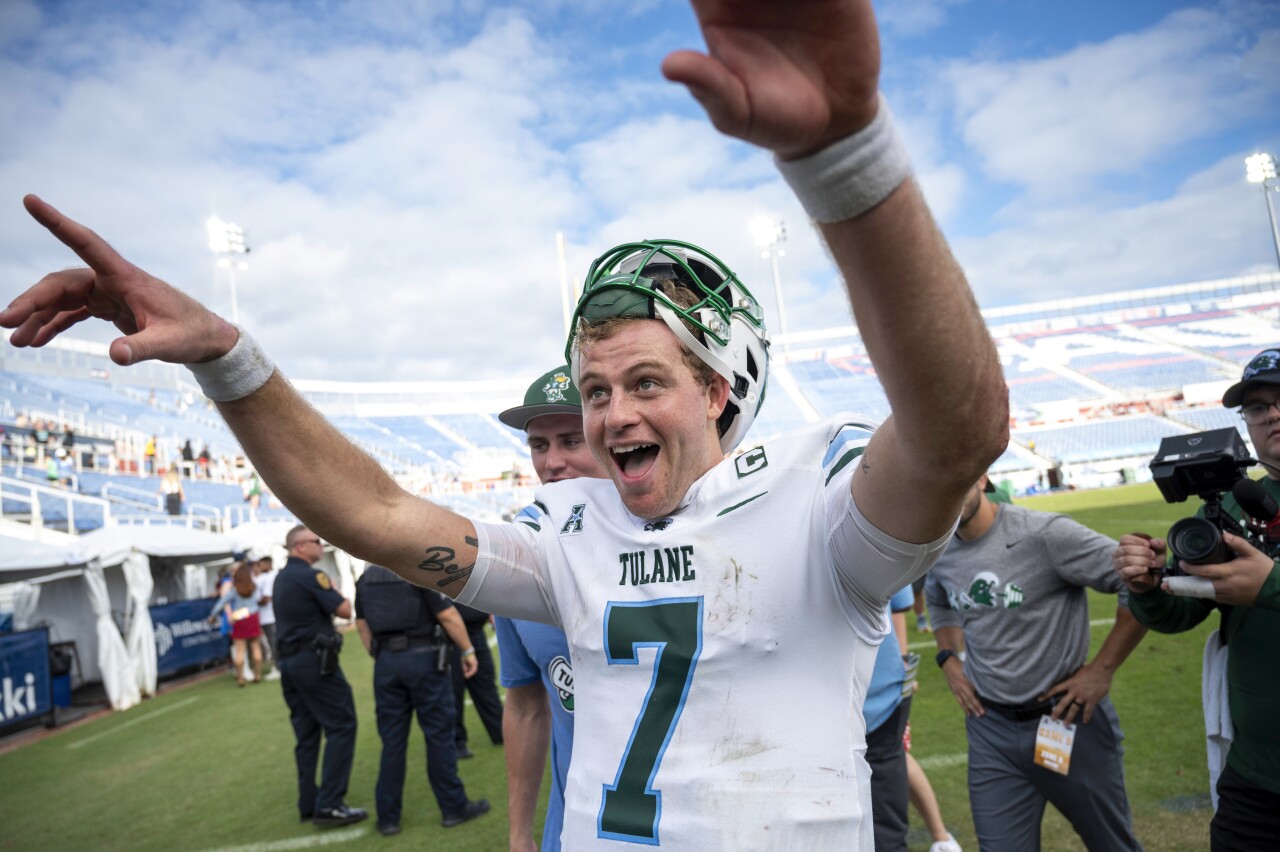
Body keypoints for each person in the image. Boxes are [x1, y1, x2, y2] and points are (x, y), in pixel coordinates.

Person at [2, 2, 1009, 843]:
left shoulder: (814, 506)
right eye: (595, 391)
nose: (612, 413)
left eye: (644, 382)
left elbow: (958, 431)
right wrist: (228, 357)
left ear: (716, 391)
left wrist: (845, 156)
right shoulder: (568, 536)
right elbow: (374, 515)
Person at [1112, 347, 1280, 851]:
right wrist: (1148, 587)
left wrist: (1271, 584)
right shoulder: (1234, 504)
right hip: (1257, 775)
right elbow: (1185, 609)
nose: (1272, 414)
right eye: (1257, 407)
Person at [926, 473, 1147, 852]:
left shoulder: (1045, 534)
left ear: (983, 477)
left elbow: (1137, 582)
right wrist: (948, 657)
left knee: (1111, 845)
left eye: (961, 474)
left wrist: (1101, 670)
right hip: (990, 730)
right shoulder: (938, 548)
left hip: (1065, 720)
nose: (950, 487)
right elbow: (938, 598)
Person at [494, 364, 609, 852]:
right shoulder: (517, 556)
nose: (552, 462)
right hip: (572, 832)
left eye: (571, 440)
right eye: (539, 445)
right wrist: (520, 834)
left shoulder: (682, 537)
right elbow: (524, 705)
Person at [355, 564, 491, 835]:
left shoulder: (365, 578)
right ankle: (453, 807)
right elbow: (447, 615)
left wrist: (380, 655)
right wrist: (467, 650)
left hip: (386, 663)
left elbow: (361, 624)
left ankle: (388, 817)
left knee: (392, 741)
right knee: (439, 735)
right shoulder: (412, 568)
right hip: (424, 660)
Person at [271, 525, 366, 828]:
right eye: (316, 541)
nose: (321, 545)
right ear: (300, 546)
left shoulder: (281, 577)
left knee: (307, 734)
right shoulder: (312, 576)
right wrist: (335, 588)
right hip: (314, 662)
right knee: (342, 724)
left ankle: (309, 804)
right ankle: (330, 804)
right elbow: (345, 609)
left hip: (290, 663)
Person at [448, 601, 503, 757]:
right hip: (449, 637)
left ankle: (501, 731)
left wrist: (490, 610)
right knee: (453, 691)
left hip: (476, 632)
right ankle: (457, 742)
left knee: (487, 687)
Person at [207, 561, 264, 686]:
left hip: (240, 618)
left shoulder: (235, 589)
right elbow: (259, 600)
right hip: (253, 617)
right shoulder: (254, 586)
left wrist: (213, 615)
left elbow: (222, 602)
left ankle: (240, 678)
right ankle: (258, 674)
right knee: (255, 646)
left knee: (240, 649)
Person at [251, 548, 281, 681]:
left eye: (261, 564)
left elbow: (267, 598)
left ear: (268, 564)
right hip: (271, 615)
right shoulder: (271, 575)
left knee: (273, 642)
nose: (259, 567)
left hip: (269, 616)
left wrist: (253, 603)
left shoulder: (269, 577)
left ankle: (278, 668)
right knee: (274, 642)